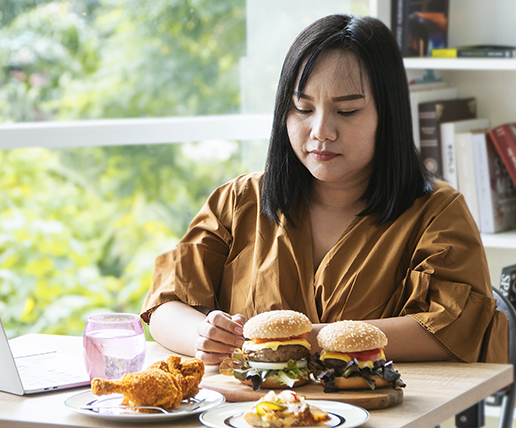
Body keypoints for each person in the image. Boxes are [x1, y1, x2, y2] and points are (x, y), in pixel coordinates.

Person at [140, 14, 508, 366]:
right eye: (302, 108)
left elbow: (452, 329)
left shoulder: (437, 212)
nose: (320, 131)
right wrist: (203, 335)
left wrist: (305, 341)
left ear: (389, 115)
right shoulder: (239, 201)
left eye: (346, 111)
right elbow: (164, 305)